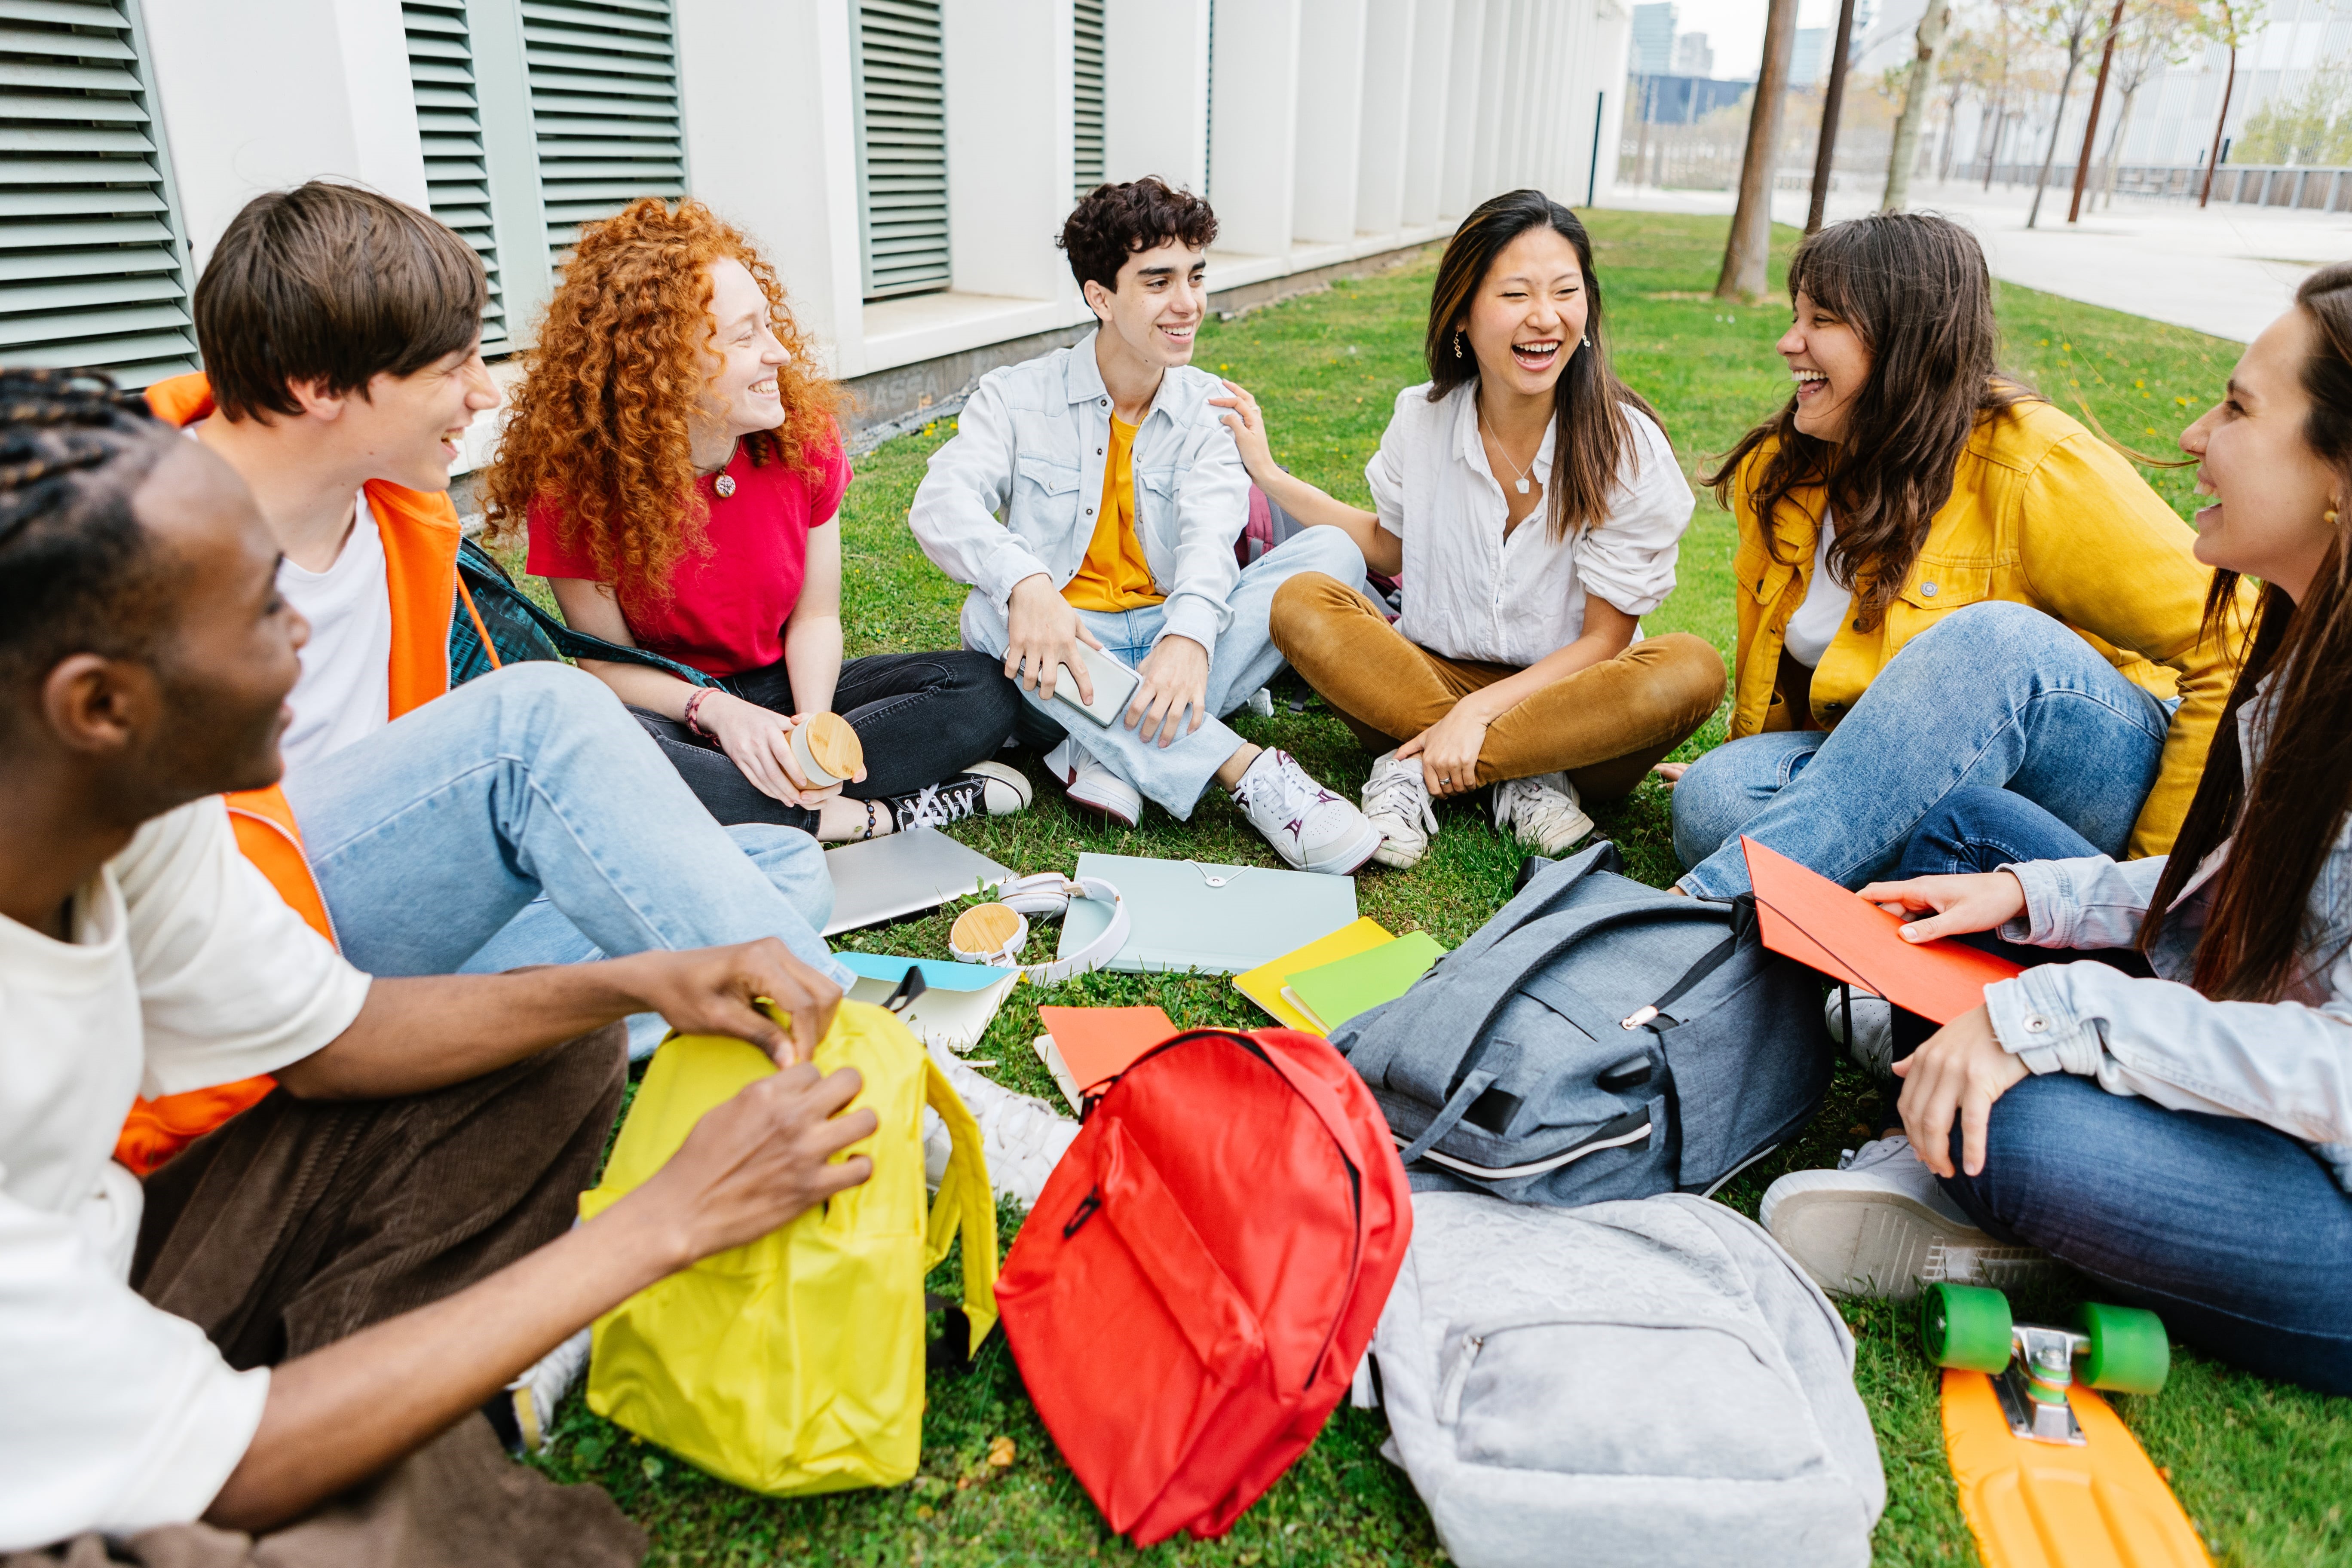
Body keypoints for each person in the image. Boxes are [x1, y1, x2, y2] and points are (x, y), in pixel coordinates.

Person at [0, 366, 876, 1559]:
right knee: (338, 1532)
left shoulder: (142, 815)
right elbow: (236, 1468)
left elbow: (334, 1040)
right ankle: (364, 1431)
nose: (301, 630)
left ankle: (367, 1394)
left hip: (114, 1277)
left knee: (549, 1043)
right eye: (261, 612)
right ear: (98, 704)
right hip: (58, 1428)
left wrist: (633, 984)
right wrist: (665, 1223)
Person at [1758, 266, 2352, 1397]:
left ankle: (1998, 1194)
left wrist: (2051, 1013)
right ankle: (1950, 1076)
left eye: (2235, 409)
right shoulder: (2308, 655)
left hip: (2325, 1190)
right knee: (1965, 838)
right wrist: (2035, 900)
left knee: (2020, 1133)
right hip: (2221, 1023)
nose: (2194, 436)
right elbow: (2246, 889)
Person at [141, 182, 852, 1095]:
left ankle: (452, 1034)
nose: (484, 394)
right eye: (452, 369)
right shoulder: (128, 556)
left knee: (778, 870)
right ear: (318, 388)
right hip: (243, 946)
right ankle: (864, 1072)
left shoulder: (401, 512)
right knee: (537, 721)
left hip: (378, 911)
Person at [1664, 213, 2246, 901]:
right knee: (1716, 799)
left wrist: (2153, 887)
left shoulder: (2035, 464)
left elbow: (2237, 642)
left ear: (1904, 341)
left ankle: (1689, 913)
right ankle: (1941, 879)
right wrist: (1780, 786)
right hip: (1943, 767)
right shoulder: (1787, 469)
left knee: (1993, 642)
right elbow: (1792, 686)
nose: (1789, 343)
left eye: (1820, 321)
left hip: (2104, 775)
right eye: (1796, 315)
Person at [487, 198, 1027, 841]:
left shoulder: (802, 441)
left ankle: (766, 804)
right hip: (676, 707)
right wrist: (716, 713)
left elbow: (816, 616)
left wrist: (811, 732)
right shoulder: (577, 490)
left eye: (769, 326)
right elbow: (606, 668)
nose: (779, 353)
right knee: (615, 753)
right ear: (660, 368)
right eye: (746, 336)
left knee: (982, 690)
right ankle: (866, 817)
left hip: (780, 688)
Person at [1218, 189, 1726, 867]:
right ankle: (1513, 781)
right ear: (1462, 312)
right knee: (1300, 602)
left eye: (1564, 292)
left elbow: (1605, 641)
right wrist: (1273, 478)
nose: (1545, 318)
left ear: (1589, 309)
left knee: (1691, 667)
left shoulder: (1626, 447)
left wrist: (1480, 716)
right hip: (1425, 677)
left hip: (1572, 708)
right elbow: (1387, 546)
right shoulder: (1422, 419)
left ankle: (1422, 767)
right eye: (1515, 295)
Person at [907, 177, 1382, 875]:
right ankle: (1246, 770)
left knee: (1335, 552)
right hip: (1068, 655)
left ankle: (1102, 753)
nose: (1187, 304)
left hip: (1173, 652)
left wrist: (1188, 634)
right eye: (1158, 282)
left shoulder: (1207, 406)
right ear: (1100, 297)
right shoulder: (1014, 396)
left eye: (1195, 276)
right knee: (990, 609)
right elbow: (940, 503)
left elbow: (1210, 535)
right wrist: (1028, 582)